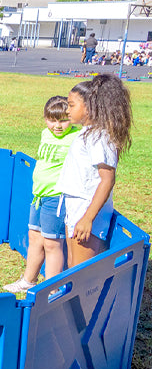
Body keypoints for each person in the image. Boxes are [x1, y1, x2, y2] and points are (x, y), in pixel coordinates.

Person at [2, 95, 79, 293]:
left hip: (57, 197)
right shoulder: (45, 133)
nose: (57, 125)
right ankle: (29, 281)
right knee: (34, 238)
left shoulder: (77, 138)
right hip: (39, 196)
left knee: (52, 244)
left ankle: (51, 290)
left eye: (63, 120)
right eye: (52, 120)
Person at [57, 73, 132, 267]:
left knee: (81, 273)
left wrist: (88, 218)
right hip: (76, 206)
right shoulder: (87, 133)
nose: (67, 110)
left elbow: (107, 179)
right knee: (73, 265)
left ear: (91, 107)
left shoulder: (100, 137)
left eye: (72, 105)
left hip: (86, 208)